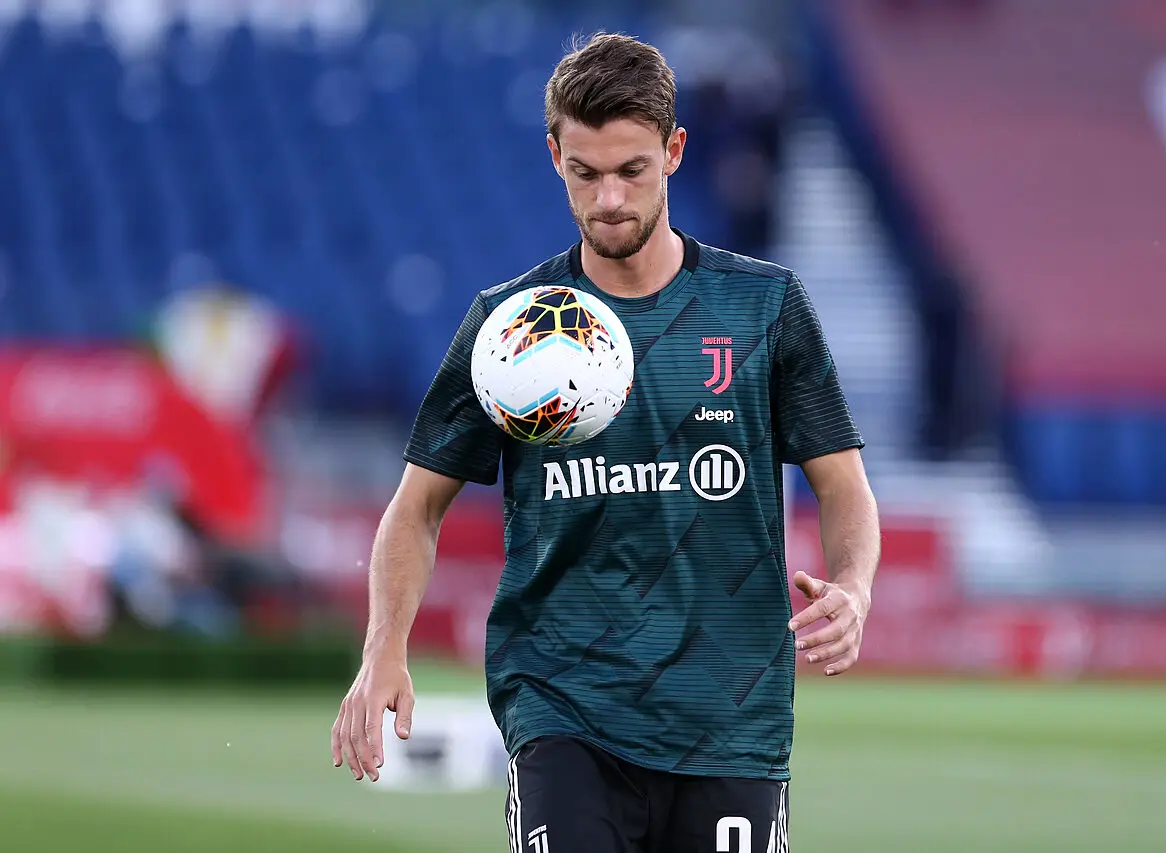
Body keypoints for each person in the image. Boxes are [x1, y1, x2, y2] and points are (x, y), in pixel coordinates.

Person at [331, 32, 881, 853]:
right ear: (555, 156)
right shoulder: (506, 329)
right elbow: (415, 508)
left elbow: (844, 486)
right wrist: (384, 648)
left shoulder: (763, 309)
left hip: (729, 716)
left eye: (632, 170)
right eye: (585, 173)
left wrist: (855, 587)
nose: (610, 198)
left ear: (675, 151)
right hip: (563, 706)